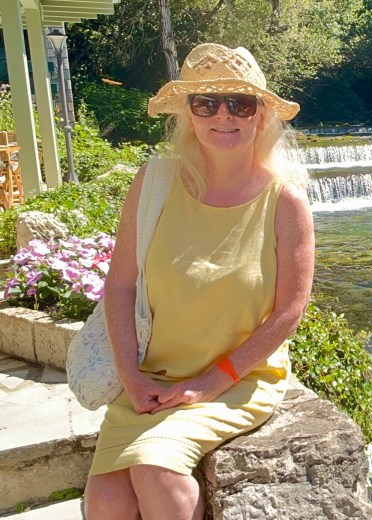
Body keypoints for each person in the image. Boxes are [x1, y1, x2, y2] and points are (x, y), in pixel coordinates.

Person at [83, 43, 314, 520]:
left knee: (157, 473)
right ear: (188, 115)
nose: (223, 114)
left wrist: (211, 381)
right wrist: (130, 376)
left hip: (237, 379)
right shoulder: (154, 182)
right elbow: (121, 285)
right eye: (206, 102)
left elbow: (289, 311)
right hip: (151, 377)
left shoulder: (284, 201)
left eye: (239, 103)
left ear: (261, 116)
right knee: (105, 502)